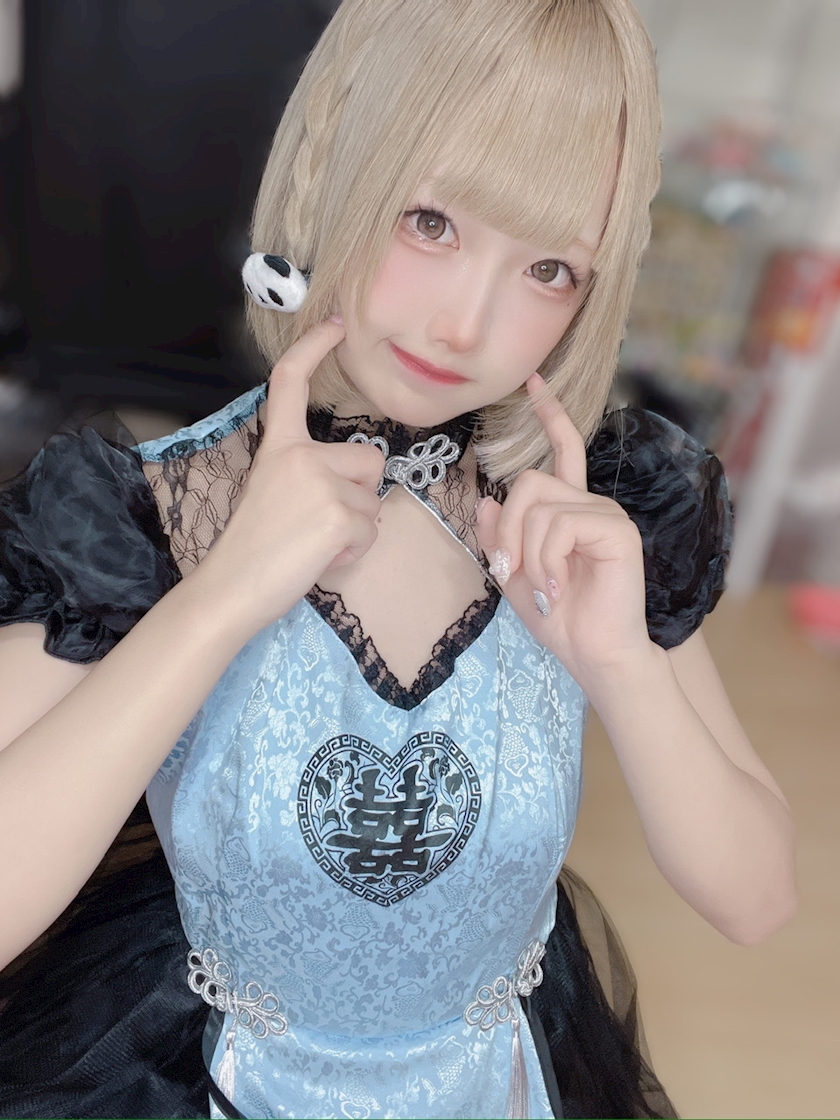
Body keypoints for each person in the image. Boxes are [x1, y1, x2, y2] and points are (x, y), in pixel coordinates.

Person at [0, 1, 797, 1118]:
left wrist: (626, 668)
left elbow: (757, 899)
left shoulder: (590, 509)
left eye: (550, 269)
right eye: (430, 222)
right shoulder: (154, 514)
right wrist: (219, 599)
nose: (466, 324)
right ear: (335, 165)